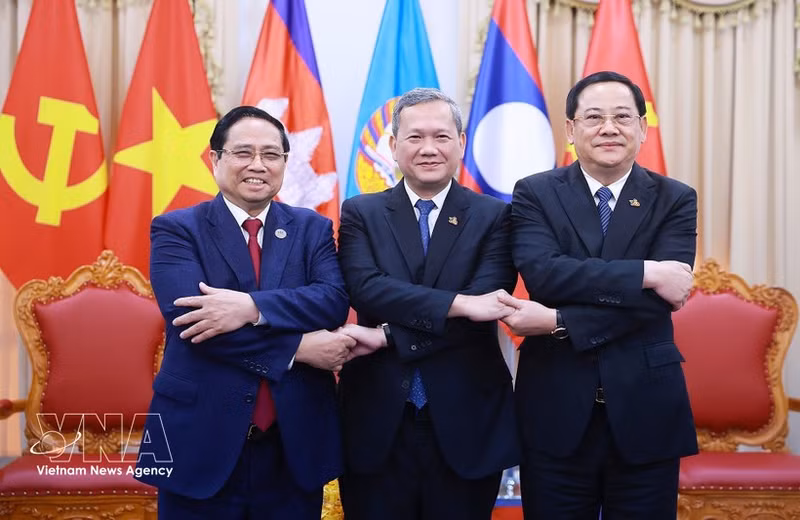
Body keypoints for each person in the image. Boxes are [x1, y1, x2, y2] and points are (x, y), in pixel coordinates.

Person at [135, 106, 354, 519]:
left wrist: (250, 308)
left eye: (271, 155)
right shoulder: (176, 229)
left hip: (293, 447)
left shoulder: (313, 228)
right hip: (199, 441)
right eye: (243, 153)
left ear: (286, 164)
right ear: (215, 159)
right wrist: (299, 350)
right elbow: (196, 326)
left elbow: (331, 300)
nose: (258, 165)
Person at [498, 71, 698, 519]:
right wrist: (647, 271)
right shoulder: (535, 193)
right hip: (554, 407)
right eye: (594, 117)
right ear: (571, 130)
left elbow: (659, 303)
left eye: (623, 117)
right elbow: (547, 278)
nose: (609, 128)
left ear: (643, 128)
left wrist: (558, 321)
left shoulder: (675, 199)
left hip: (647, 409)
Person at [336, 87, 520, 520]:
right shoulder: (360, 212)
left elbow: (486, 308)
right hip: (375, 420)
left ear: (461, 142)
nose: (428, 148)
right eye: (415, 137)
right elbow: (366, 289)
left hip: (468, 419)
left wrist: (384, 336)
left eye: (441, 136)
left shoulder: (496, 216)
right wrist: (460, 303)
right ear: (393, 146)